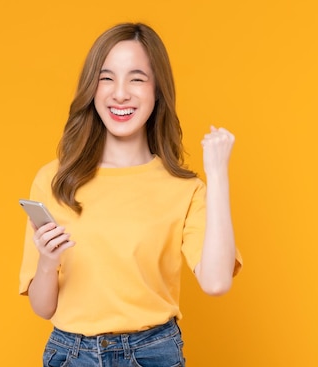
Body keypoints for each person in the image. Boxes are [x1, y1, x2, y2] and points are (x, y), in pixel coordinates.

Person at [19, 22, 242, 367]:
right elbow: (42, 307)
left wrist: (217, 174)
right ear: (92, 89)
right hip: (70, 355)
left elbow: (216, 282)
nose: (120, 93)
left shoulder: (184, 188)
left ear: (157, 90)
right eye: (106, 78)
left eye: (136, 78)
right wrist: (47, 262)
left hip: (153, 353)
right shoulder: (55, 179)